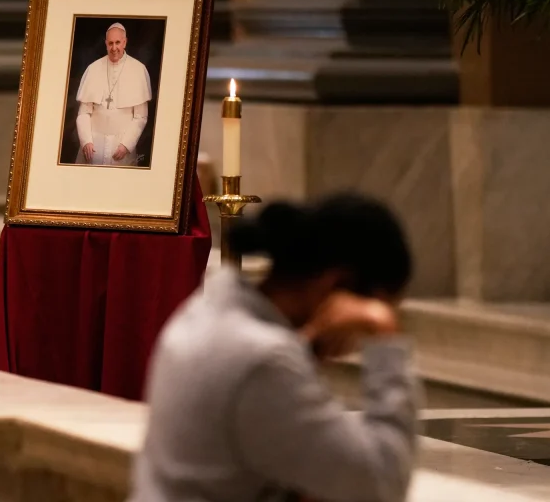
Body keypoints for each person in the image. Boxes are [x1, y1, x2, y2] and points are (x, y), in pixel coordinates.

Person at [129, 193, 420, 502]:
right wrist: (385, 335)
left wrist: (306, 355)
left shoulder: (206, 310)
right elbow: (383, 481)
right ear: (336, 286)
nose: (355, 344)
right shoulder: (263, 362)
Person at [74, 22, 152, 166]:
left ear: (125, 42)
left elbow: (141, 117)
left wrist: (126, 145)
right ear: (106, 44)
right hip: (94, 146)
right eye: (110, 43)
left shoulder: (138, 70)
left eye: (117, 43)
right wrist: (86, 141)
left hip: (121, 146)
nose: (114, 48)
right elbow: (83, 113)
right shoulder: (93, 68)